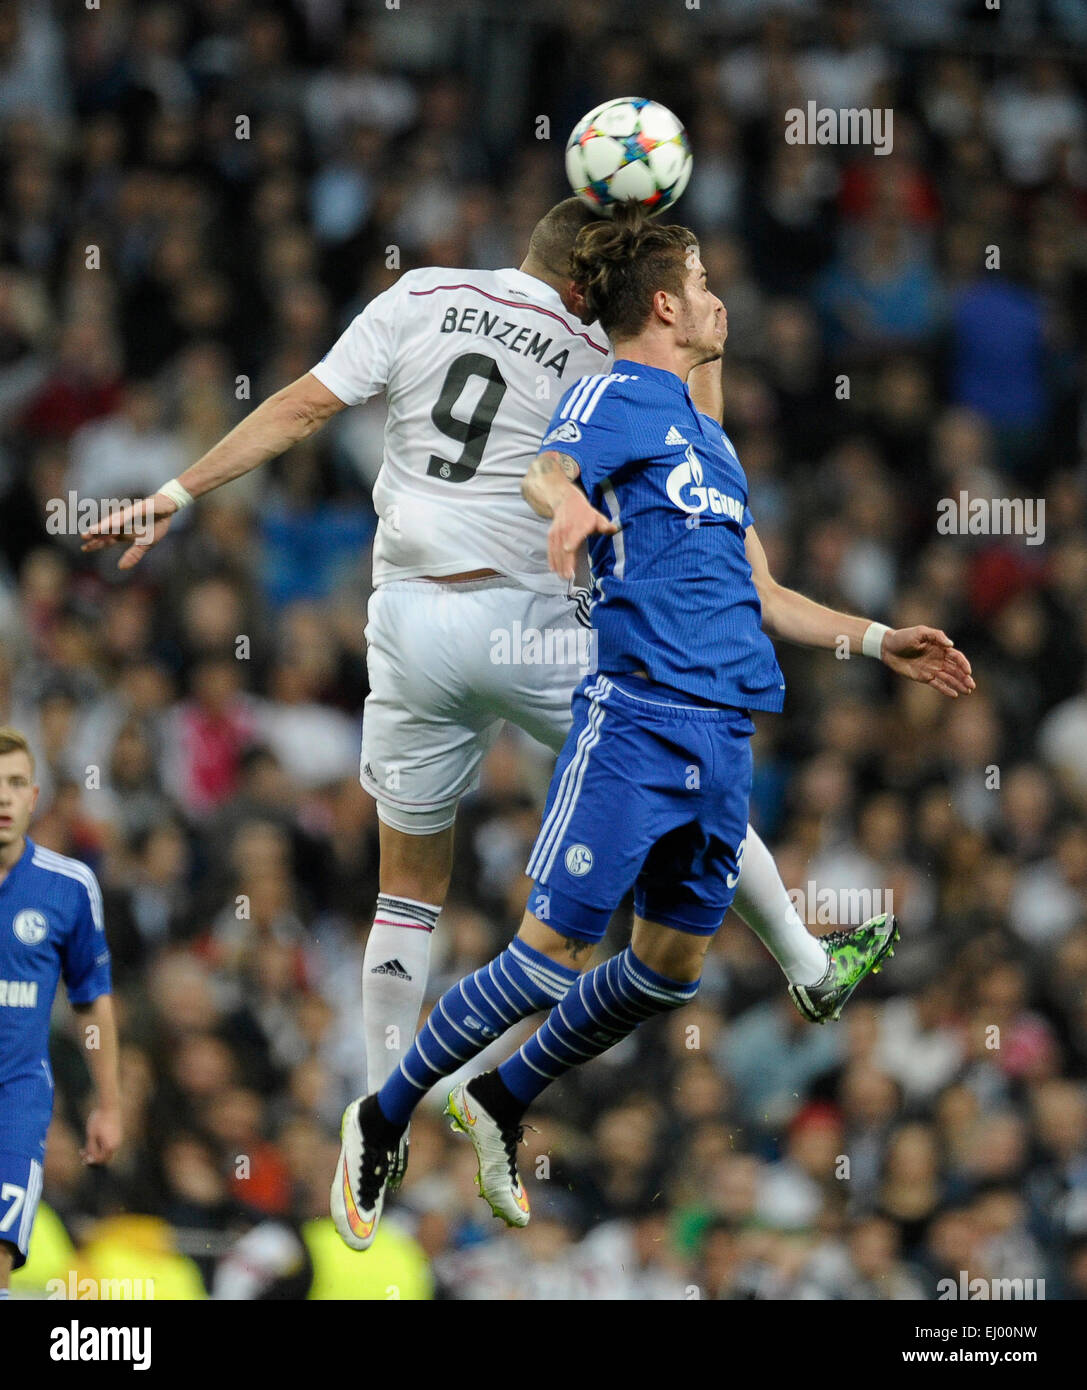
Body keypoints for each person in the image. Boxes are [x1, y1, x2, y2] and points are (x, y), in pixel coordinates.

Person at [81, 200, 875, 1201]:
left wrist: (178, 492)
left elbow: (303, 406)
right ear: (598, 287)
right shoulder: (602, 350)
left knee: (407, 885)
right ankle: (805, 960)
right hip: (532, 623)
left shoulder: (420, 294)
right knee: (688, 731)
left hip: (413, 621)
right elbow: (698, 435)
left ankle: (374, 1127)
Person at [334, 209, 974, 1249]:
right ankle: (384, 1112)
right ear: (666, 303)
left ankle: (500, 1097)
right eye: (706, 280)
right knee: (549, 960)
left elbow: (763, 592)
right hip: (637, 718)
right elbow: (549, 466)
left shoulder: (710, 441)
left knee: (669, 967)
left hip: (727, 736)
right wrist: (565, 509)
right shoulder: (612, 396)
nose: (722, 298)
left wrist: (872, 637)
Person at [0, 727, 121, 1295]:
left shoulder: (69, 886)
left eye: (16, 782)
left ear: (34, 797)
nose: (3, 797)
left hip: (17, 1097)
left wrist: (109, 1103)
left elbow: (91, 1001)